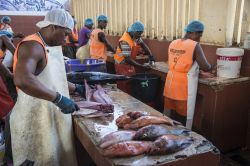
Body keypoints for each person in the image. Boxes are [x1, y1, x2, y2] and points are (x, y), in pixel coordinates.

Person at [10, 9, 85, 165]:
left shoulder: (47, 45)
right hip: (32, 120)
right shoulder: (33, 45)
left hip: (47, 117)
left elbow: (50, 80)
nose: (66, 40)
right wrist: (58, 98)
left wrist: (75, 88)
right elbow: (23, 79)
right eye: (65, 34)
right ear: (53, 27)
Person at [163, 20, 214, 129]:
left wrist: (199, 73)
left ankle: (168, 135)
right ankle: (180, 138)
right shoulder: (194, 45)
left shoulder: (174, 42)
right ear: (194, 33)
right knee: (182, 117)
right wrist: (213, 67)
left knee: (171, 114)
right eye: (200, 35)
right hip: (183, 86)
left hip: (170, 83)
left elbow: (182, 62)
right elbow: (205, 66)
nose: (199, 39)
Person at [114, 21, 155, 94]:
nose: (139, 36)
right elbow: (127, 59)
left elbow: (143, 45)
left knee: (131, 84)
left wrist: (151, 56)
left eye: (141, 34)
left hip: (130, 64)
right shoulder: (124, 40)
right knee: (123, 87)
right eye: (138, 34)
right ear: (133, 31)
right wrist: (142, 66)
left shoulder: (135, 36)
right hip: (121, 65)